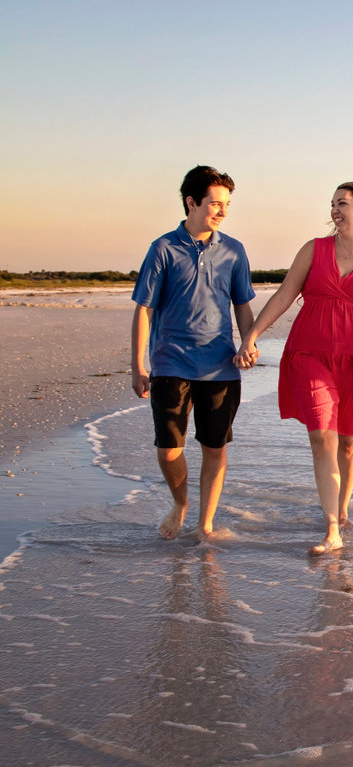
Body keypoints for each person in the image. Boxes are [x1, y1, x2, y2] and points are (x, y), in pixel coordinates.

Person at [235, 182, 353, 556]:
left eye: (343, 203)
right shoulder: (314, 249)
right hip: (310, 353)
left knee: (348, 440)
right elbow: (284, 295)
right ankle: (331, 529)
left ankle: (341, 510)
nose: (335, 211)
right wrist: (252, 336)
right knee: (321, 436)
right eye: (332, 204)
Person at [131, 165, 256, 540]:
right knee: (169, 449)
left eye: (227, 204)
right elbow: (144, 309)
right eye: (215, 203)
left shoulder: (234, 251)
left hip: (220, 367)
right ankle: (180, 502)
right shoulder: (163, 248)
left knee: (214, 446)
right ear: (191, 202)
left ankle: (205, 524)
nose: (222, 211)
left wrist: (248, 343)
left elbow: (242, 305)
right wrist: (138, 365)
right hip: (170, 363)